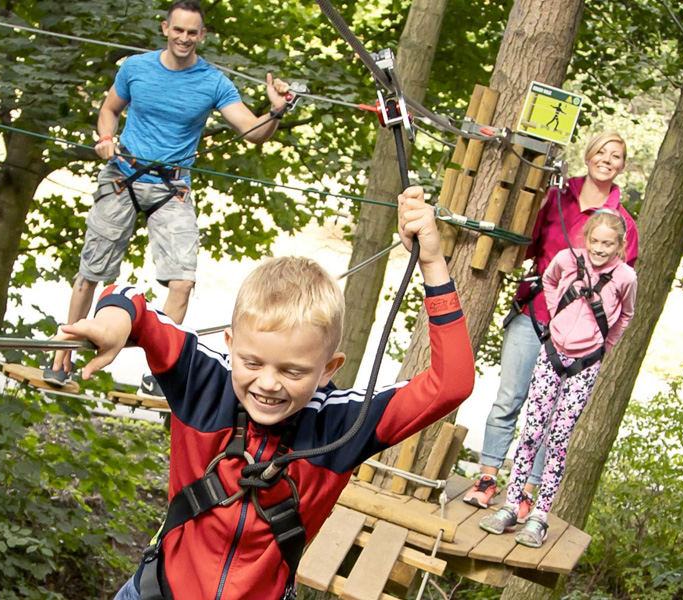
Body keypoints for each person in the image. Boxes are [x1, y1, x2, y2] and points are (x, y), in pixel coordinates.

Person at [51, 186, 475, 600]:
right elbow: (129, 298)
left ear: (328, 369)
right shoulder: (204, 381)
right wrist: (112, 323)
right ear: (230, 344)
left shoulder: (343, 425)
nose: (268, 383)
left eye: (292, 371)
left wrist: (431, 261)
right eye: (252, 363)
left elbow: (451, 383)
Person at [43, 0, 291, 398]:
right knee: (91, 272)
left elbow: (253, 132)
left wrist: (276, 112)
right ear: (165, 29)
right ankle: (63, 356)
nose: (184, 38)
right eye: (178, 30)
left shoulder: (213, 82)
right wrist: (105, 137)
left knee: (183, 282)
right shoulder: (136, 68)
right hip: (123, 176)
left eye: (192, 32)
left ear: (202, 35)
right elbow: (109, 110)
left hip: (171, 187)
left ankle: (160, 373)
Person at [463, 131, 639, 516]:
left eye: (616, 156)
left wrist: (603, 343)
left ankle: (526, 493)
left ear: (622, 166)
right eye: (601, 152)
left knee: (553, 417)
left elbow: (620, 288)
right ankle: (488, 478)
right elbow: (527, 245)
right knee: (510, 397)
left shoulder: (621, 222)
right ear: (588, 156)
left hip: (581, 336)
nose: (607, 160)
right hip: (536, 313)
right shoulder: (557, 197)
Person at [479, 209, 637, 547]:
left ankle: (539, 516)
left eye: (608, 244)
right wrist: (555, 318)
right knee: (531, 432)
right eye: (595, 241)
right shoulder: (567, 259)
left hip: (585, 363)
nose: (599, 249)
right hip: (552, 354)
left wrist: (605, 344)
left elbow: (626, 314)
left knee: (558, 438)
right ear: (586, 238)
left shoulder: (625, 277)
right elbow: (548, 282)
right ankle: (511, 505)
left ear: (619, 245)